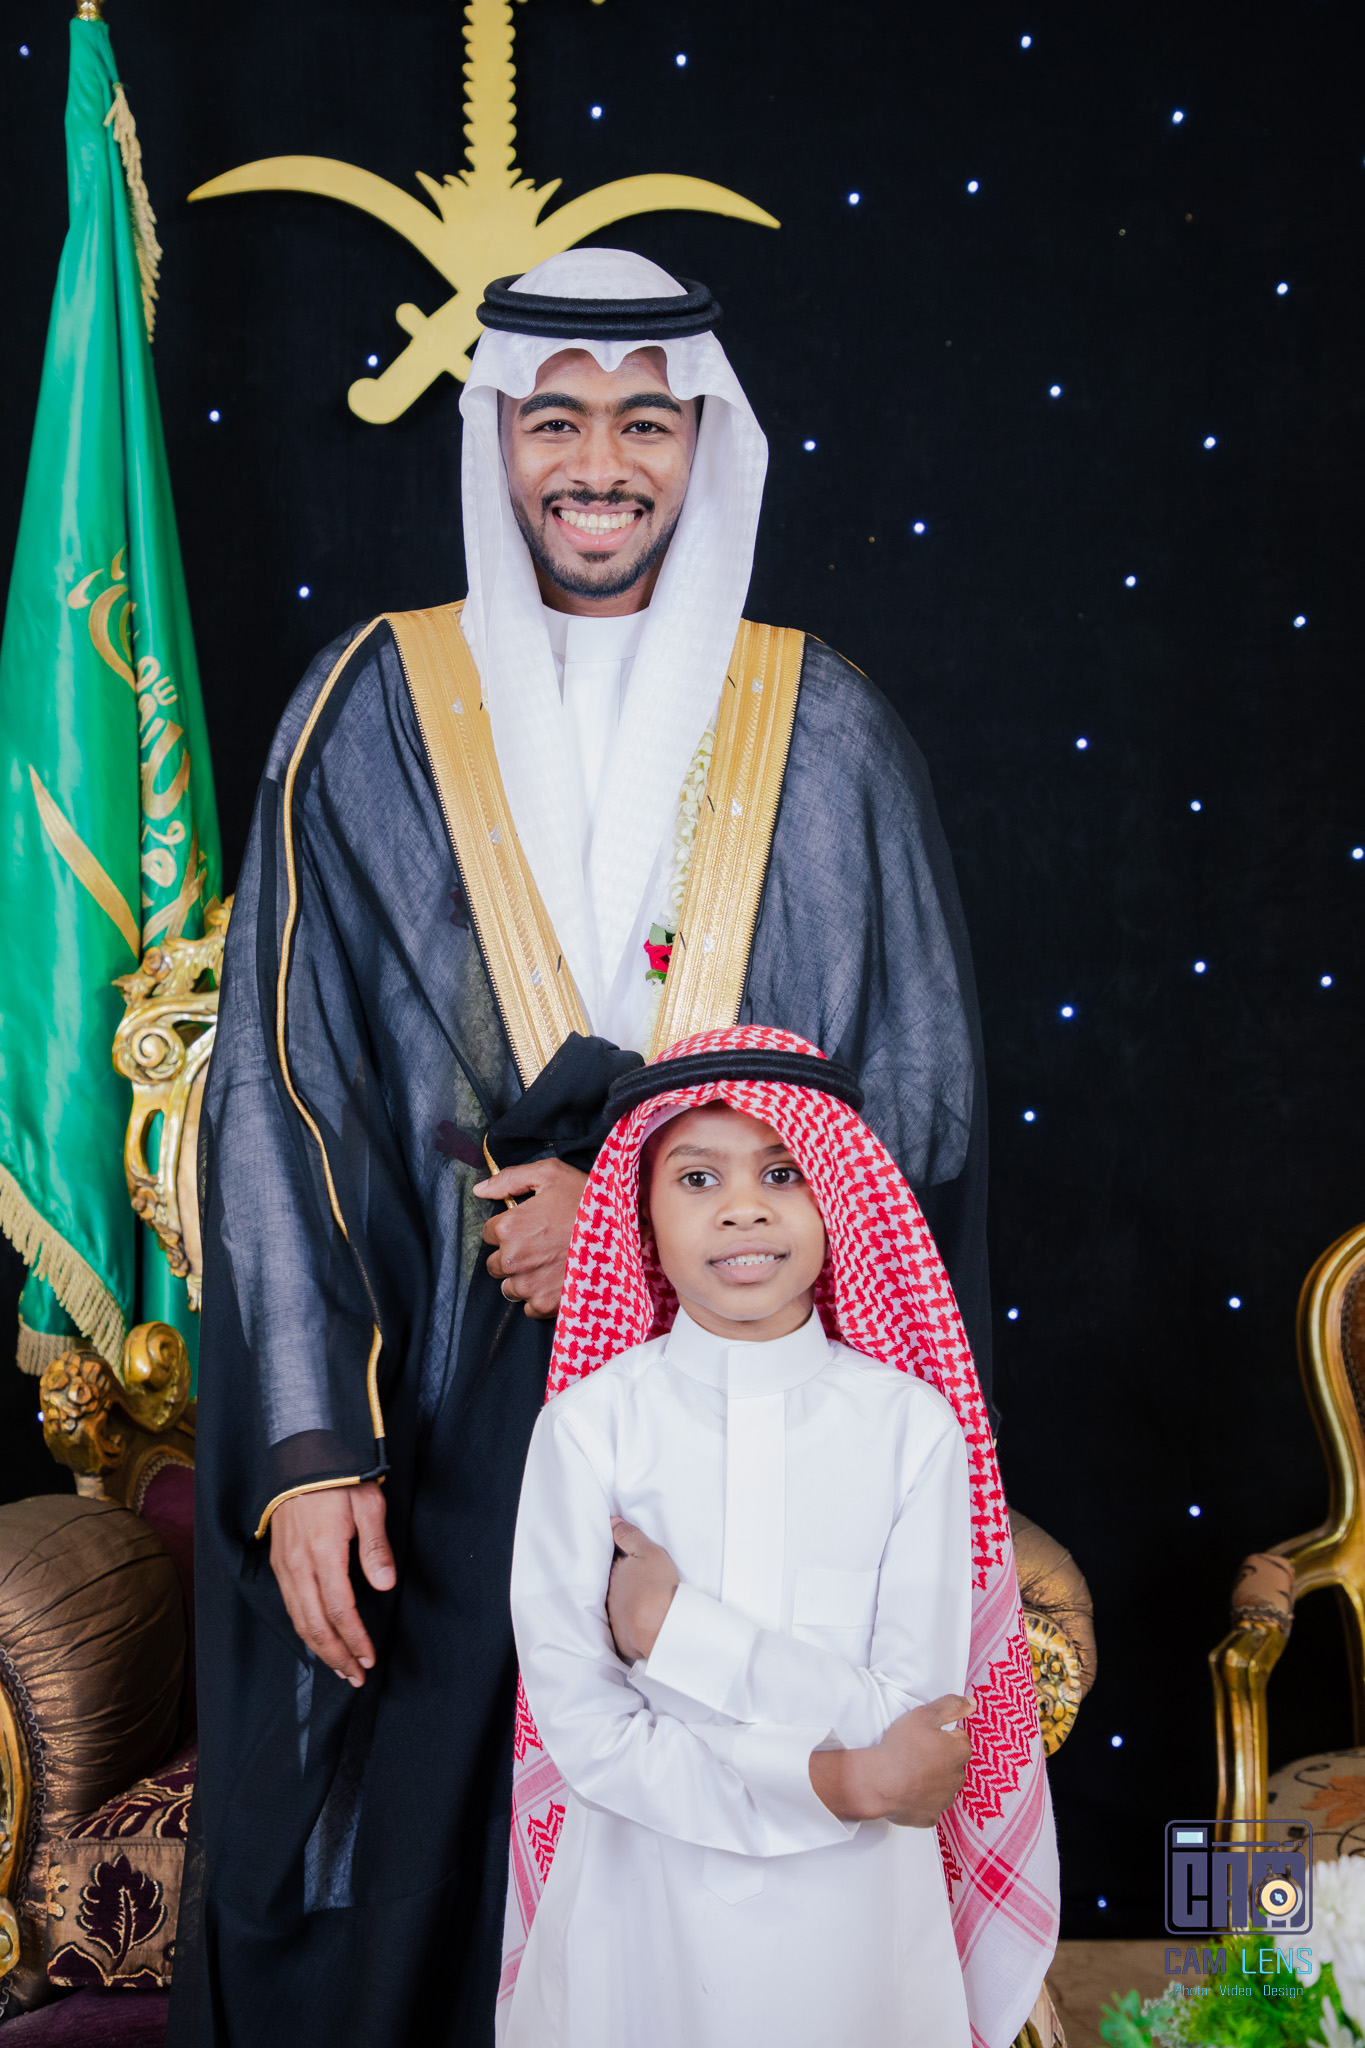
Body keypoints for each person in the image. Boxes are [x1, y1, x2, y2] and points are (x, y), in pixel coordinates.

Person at [172, 249, 998, 2047]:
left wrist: (635, 1223)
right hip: (435, 1421)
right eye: (555, 421)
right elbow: (281, 1094)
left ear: (705, 444)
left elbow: (911, 1109)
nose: (598, 463)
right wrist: (308, 1450)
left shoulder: (822, 724)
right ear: (497, 438)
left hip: (738, 1442)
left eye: (643, 422)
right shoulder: (371, 704)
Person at [503, 1026, 1058, 2048]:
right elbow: (585, 1732)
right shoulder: (589, 1427)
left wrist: (676, 1636)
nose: (743, 1207)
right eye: (697, 1177)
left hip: (856, 1925)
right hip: (641, 1906)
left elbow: (909, 1721)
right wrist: (840, 1779)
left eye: (783, 1171)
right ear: (639, 1212)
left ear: (838, 1196)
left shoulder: (910, 1428)